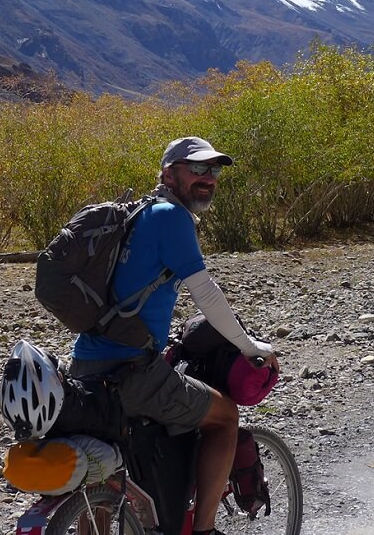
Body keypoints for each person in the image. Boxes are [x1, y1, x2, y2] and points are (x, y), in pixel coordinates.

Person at [69, 136, 278, 535]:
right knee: (224, 417)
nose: (208, 178)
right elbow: (206, 294)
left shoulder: (135, 215)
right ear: (168, 173)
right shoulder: (172, 216)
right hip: (132, 371)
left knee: (103, 464)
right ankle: (204, 529)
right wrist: (250, 347)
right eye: (197, 169)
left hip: (85, 365)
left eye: (213, 170)